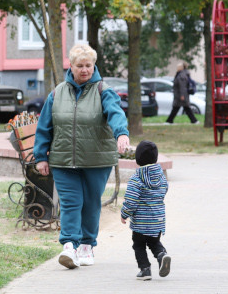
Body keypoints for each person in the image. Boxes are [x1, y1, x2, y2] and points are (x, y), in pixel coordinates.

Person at [33, 44, 130, 269]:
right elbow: (44, 127)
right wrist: (41, 157)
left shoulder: (103, 91)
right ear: (71, 66)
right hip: (63, 159)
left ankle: (87, 245)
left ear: (94, 66)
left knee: (91, 203)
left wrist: (122, 134)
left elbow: (116, 113)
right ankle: (69, 245)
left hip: (97, 160)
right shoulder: (57, 93)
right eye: (80, 66)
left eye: (88, 65)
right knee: (70, 203)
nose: (84, 70)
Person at [120, 140, 171, 281]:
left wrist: (124, 214)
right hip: (157, 220)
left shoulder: (136, 178)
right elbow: (164, 190)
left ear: (138, 159)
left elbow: (131, 201)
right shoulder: (161, 177)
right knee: (154, 242)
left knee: (139, 245)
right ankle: (161, 255)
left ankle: (145, 269)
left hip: (141, 223)